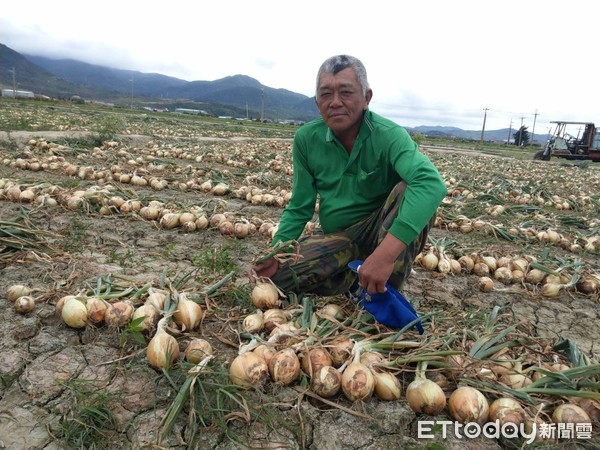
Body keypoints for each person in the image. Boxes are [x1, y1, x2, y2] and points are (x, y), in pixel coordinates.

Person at [253, 54, 447, 297]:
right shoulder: (306, 139)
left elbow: (431, 184)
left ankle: (382, 291)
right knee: (275, 280)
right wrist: (277, 251)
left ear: (366, 98)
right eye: (326, 94)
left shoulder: (389, 135)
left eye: (346, 92)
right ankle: (352, 279)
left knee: (410, 190)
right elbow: (299, 207)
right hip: (339, 239)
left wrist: (385, 255)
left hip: (381, 235)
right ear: (316, 102)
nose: (335, 102)